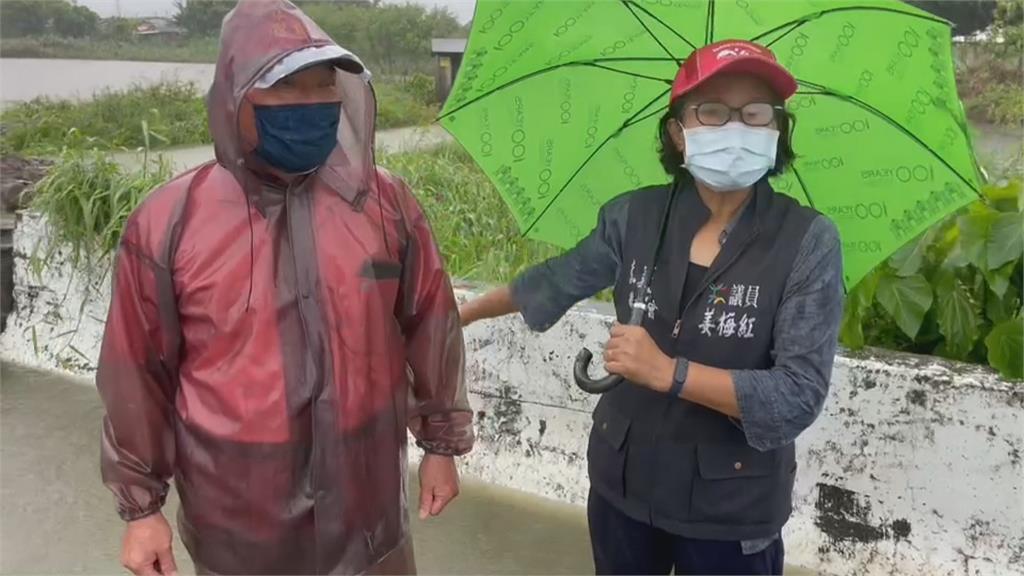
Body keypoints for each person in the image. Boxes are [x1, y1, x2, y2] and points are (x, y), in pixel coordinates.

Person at [96, 1, 473, 574]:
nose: (312, 103)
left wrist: (441, 447)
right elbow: (136, 370)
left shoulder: (384, 203)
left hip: (369, 519)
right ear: (236, 98)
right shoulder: (170, 220)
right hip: (240, 527)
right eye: (287, 87)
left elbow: (430, 322)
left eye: (324, 85)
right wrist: (141, 510)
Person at [460, 40, 843, 576]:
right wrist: (459, 316)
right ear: (677, 131)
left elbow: (797, 395)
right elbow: (554, 281)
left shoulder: (807, 240)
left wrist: (670, 373)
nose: (737, 127)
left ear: (778, 130)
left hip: (731, 511)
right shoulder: (633, 217)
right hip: (624, 486)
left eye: (756, 113)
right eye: (712, 111)